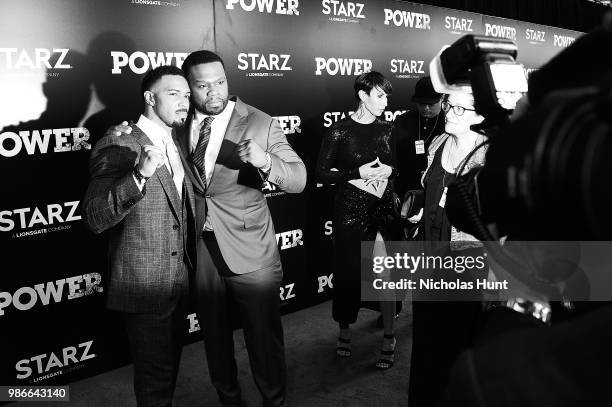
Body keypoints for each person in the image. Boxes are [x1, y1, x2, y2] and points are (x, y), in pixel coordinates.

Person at [178, 50, 306, 407]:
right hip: (201, 250)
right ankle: (229, 400)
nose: (214, 92)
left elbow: (298, 179)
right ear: (189, 87)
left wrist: (266, 161)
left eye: (220, 82)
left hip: (251, 249)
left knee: (263, 341)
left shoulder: (259, 122)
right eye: (203, 86)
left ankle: (273, 401)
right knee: (214, 340)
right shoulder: (178, 122)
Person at [83, 65, 196, 407]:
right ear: (150, 98)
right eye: (174, 94)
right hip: (144, 284)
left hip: (178, 281)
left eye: (187, 95)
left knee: (169, 370)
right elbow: (95, 217)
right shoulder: (119, 141)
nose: (184, 102)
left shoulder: (178, 141)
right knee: (154, 382)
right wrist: (139, 176)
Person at [407, 91, 487, 407]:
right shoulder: (438, 142)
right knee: (426, 345)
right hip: (429, 257)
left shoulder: (489, 156)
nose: (449, 111)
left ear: (481, 116)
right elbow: (432, 188)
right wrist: (421, 211)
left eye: (459, 107)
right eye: (448, 104)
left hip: (467, 265)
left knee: (459, 348)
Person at [316, 71, 400, 370]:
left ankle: (389, 336)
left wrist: (390, 172)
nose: (386, 101)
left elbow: (401, 169)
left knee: (386, 274)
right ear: (363, 95)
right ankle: (345, 331)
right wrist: (357, 173)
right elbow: (322, 174)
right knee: (349, 274)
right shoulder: (339, 131)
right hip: (350, 211)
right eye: (380, 95)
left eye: (387, 95)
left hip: (383, 211)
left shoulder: (390, 130)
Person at [392, 76, 445, 201]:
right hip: (404, 191)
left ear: (442, 98)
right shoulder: (402, 121)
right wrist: (392, 190)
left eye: (431, 104)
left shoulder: (450, 123)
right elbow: (392, 158)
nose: (426, 108)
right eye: (422, 104)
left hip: (436, 191)